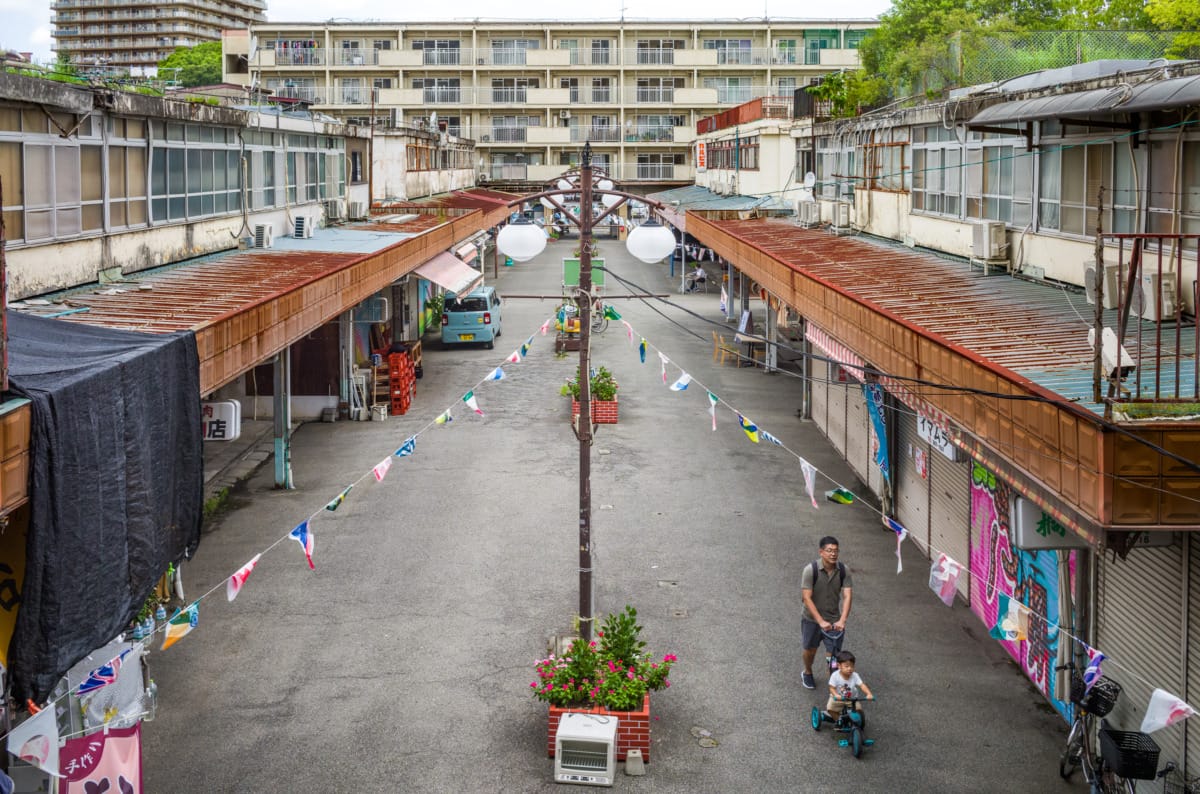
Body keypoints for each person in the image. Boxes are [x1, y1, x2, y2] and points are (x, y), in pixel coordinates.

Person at [800, 535, 853, 689]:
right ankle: (808, 672)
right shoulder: (810, 570)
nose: (833, 554)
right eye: (829, 551)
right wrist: (820, 621)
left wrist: (842, 620)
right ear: (821, 552)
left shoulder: (844, 570)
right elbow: (806, 598)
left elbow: (848, 595)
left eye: (836, 551)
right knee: (810, 650)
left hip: (833, 620)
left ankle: (833, 680)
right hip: (811, 619)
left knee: (833, 654)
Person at [825, 650, 873, 720]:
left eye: (852, 666)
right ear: (839, 666)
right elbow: (831, 688)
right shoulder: (835, 676)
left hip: (852, 699)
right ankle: (839, 720)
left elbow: (862, 685)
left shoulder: (855, 675)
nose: (850, 669)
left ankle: (855, 720)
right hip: (837, 698)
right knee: (830, 709)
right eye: (846, 666)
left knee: (859, 710)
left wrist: (869, 694)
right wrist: (835, 695)